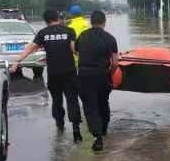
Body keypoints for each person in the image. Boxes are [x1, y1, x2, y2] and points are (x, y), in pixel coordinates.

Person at [11, 10, 83, 142]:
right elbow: (75, 50)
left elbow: (30, 48)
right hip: (69, 72)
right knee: (72, 99)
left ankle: (60, 126)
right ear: (58, 18)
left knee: (57, 101)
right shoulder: (69, 31)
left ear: (46, 21)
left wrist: (17, 61)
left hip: (54, 73)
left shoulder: (43, 33)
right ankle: (76, 128)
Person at [76, 11, 119, 152]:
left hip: (84, 74)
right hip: (102, 75)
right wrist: (110, 74)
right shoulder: (110, 39)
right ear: (104, 22)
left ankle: (97, 136)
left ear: (91, 22)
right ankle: (104, 128)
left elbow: (76, 52)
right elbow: (115, 63)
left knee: (90, 106)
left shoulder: (82, 36)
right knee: (103, 102)